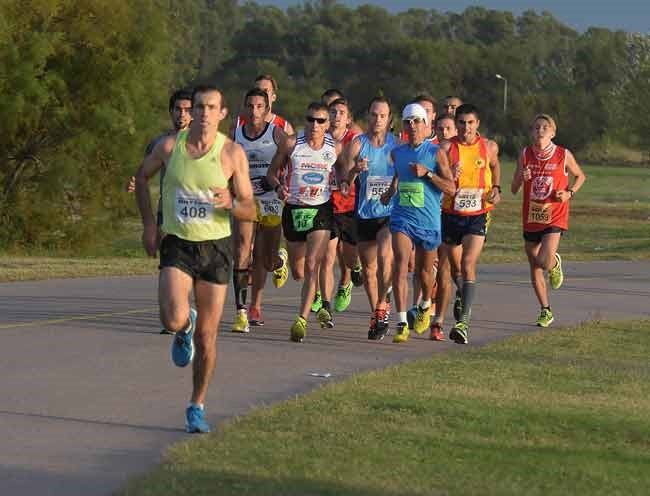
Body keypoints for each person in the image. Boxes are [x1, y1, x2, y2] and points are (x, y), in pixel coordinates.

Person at [135, 85, 256, 433]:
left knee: (208, 338)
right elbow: (141, 178)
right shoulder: (170, 147)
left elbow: (251, 209)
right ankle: (182, 326)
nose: (203, 113)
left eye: (211, 107)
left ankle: (196, 405)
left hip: (216, 249)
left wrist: (231, 203)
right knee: (172, 319)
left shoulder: (232, 154)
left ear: (222, 113)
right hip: (178, 244)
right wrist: (148, 225)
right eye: (198, 107)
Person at [380, 103, 455, 344]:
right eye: (407, 122)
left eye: (417, 121)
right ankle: (401, 322)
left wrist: (429, 174)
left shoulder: (436, 153)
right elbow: (399, 176)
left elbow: (451, 188)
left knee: (425, 274)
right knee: (400, 265)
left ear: (426, 125)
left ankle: (424, 303)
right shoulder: (397, 153)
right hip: (402, 218)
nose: (412, 126)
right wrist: (390, 193)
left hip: (429, 222)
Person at [266, 102, 341, 342]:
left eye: (320, 121)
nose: (315, 125)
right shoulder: (291, 143)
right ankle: (288, 261)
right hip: (294, 208)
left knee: (312, 265)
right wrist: (278, 187)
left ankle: (301, 320)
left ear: (327, 124)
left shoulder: (335, 147)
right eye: (310, 119)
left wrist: (348, 178)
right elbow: (271, 173)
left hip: (321, 209)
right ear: (304, 120)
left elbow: (343, 173)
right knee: (299, 272)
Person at [434, 103, 501, 345]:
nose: (466, 128)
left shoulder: (489, 147)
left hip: (478, 213)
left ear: (478, 124)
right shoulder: (445, 147)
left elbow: (494, 165)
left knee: (468, 262)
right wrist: (449, 173)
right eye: (461, 123)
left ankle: (463, 323)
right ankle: (464, 294)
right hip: (451, 214)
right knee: (455, 269)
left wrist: (496, 188)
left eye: (470, 123)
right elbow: (437, 179)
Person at [511, 114, 586, 327]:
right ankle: (545, 310)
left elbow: (580, 176)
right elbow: (514, 188)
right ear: (531, 132)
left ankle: (554, 263)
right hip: (531, 216)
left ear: (553, 133)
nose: (540, 130)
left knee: (543, 260)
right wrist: (521, 177)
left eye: (545, 127)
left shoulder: (563, 154)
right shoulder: (525, 154)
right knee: (534, 264)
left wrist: (569, 193)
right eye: (536, 127)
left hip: (555, 214)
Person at [230, 88, 289, 332]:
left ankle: (279, 261)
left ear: (266, 110)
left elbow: (290, 163)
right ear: (244, 108)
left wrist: (281, 184)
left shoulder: (277, 135)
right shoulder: (235, 135)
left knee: (266, 259)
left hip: (270, 200)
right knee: (242, 251)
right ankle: (243, 311)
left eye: (259, 106)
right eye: (250, 106)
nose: (254, 111)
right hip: (245, 199)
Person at [342, 96, 398, 340]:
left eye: (382, 116)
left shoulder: (396, 146)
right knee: (369, 269)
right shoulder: (357, 144)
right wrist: (355, 170)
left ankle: (383, 308)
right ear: (368, 117)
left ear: (389, 120)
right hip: (365, 213)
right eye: (374, 115)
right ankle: (377, 310)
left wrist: (394, 188)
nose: (377, 119)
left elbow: (406, 174)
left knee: (386, 257)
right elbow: (344, 181)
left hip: (389, 213)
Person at [316, 97, 362, 318]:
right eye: (332, 112)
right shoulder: (318, 139)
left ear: (348, 119)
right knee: (327, 256)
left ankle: (347, 282)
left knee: (350, 258)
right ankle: (325, 303)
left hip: (351, 204)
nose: (336, 116)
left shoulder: (355, 140)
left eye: (341, 112)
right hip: (327, 204)